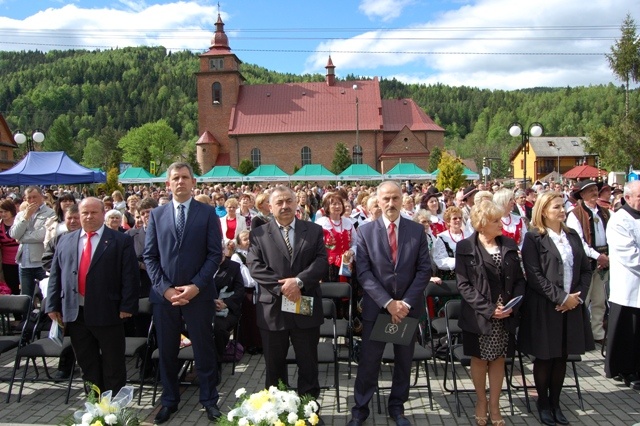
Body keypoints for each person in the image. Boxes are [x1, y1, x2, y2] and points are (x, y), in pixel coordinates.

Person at [144, 162, 223, 424]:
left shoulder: (207, 213)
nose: (180, 182)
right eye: (175, 178)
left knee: (203, 349)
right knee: (167, 351)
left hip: (198, 295)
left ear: (193, 182)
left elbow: (214, 254)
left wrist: (196, 286)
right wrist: (165, 290)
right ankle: (169, 401)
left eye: (185, 177)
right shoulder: (156, 215)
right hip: (165, 298)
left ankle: (209, 400)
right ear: (168, 184)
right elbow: (150, 257)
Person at [347, 181, 431, 426]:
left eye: (395, 198)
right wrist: (388, 303)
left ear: (402, 199)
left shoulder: (416, 231)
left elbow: (424, 270)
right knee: (368, 364)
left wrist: (403, 304)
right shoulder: (365, 232)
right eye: (386, 199)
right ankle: (360, 411)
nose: (391, 203)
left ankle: (397, 408)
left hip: (406, 311)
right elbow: (363, 273)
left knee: (403, 363)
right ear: (378, 201)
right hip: (378, 310)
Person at [45, 197, 139, 393]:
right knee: (87, 365)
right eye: (84, 213)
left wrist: (127, 306)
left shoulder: (120, 241)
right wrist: (52, 305)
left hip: (109, 312)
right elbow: (56, 274)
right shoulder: (66, 240)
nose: (88, 216)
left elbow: (130, 276)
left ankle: (113, 409)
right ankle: (94, 405)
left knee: (113, 364)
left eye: (94, 212)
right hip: (76, 313)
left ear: (103, 213)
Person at [247, 186, 328, 403]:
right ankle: (278, 412)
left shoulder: (313, 230)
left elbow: (321, 261)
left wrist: (299, 282)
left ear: (296, 203)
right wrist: (284, 287)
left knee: (308, 364)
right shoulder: (258, 234)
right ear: (270, 207)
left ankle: (310, 409)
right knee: (274, 367)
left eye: (289, 201)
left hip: (305, 305)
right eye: (279, 203)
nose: (285, 206)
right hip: (272, 309)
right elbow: (254, 266)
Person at [519, 192, 594, 426]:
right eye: (557, 207)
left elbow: (585, 270)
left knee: (561, 356)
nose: (563, 211)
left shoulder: (572, 236)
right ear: (543, 211)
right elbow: (534, 276)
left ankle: (556, 402)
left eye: (563, 206)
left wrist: (576, 299)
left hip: (571, 306)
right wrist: (561, 297)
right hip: (545, 306)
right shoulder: (533, 238)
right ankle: (543, 403)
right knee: (545, 357)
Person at [455, 200, 526, 426]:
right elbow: (463, 285)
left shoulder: (509, 244)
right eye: (495, 221)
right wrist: (488, 309)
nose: (501, 225)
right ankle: (481, 401)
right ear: (482, 224)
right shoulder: (465, 247)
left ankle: (494, 404)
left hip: (505, 315)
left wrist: (511, 306)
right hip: (479, 316)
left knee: (498, 359)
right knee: (479, 359)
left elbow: (520, 280)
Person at [605, 180, 640, 390]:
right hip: (629, 286)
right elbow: (629, 254)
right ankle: (626, 370)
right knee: (629, 333)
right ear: (627, 198)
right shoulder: (619, 220)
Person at [565, 180, 610, 346]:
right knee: (583, 299)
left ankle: (597, 332)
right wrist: (598, 256)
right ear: (582, 195)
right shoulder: (575, 214)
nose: (594, 193)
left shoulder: (605, 213)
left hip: (603, 262)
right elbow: (578, 242)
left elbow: (611, 236)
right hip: (585, 263)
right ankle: (582, 334)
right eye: (590, 190)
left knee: (599, 300)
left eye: (596, 190)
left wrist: (606, 257)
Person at [10, 186, 56, 299]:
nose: (31, 200)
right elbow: (13, 234)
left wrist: (21, 238)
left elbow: (43, 235)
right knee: (25, 297)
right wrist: (26, 216)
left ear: (41, 197)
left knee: (46, 297)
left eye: (34, 197)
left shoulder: (50, 213)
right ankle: (27, 317)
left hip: (41, 263)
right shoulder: (21, 215)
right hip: (24, 263)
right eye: (28, 198)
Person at [126, 197, 158, 338]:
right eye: (143, 213)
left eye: (149, 212)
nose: (146, 216)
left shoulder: (168, 233)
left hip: (163, 287)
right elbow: (126, 260)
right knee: (142, 329)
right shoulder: (130, 235)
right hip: (141, 288)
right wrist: (141, 265)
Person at [315, 192, 357, 283]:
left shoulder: (348, 222)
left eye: (339, 204)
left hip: (347, 263)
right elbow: (316, 247)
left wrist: (352, 251)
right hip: (329, 266)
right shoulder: (321, 223)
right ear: (327, 207)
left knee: (347, 290)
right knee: (332, 291)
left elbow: (355, 242)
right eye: (334, 204)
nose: (337, 206)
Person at [213, 257, 244, 369]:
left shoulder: (233, 267)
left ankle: (216, 364)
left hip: (227, 311)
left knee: (217, 328)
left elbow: (240, 291)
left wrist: (225, 303)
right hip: (206, 309)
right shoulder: (203, 264)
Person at [0, 199, 20, 295]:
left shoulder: (19, 222)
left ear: (12, 210)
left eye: (6, 211)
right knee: (12, 288)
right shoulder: (0, 225)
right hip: (6, 263)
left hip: (22, 261)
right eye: (1, 212)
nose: (3, 214)